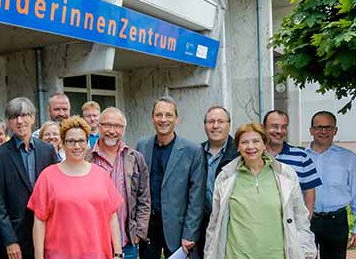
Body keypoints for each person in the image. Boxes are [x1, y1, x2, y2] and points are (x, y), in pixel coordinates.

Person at [205, 123, 317, 259]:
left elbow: (300, 217)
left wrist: (307, 251)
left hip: (278, 255)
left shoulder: (285, 174)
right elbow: (215, 222)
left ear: (264, 145)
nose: (250, 147)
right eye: (244, 142)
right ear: (238, 147)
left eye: (256, 141)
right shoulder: (225, 177)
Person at [29, 116, 123, 259]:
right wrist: (39, 257)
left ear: (87, 143)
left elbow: (112, 217)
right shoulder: (47, 177)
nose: (77, 146)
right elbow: (39, 221)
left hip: (98, 254)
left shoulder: (101, 175)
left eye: (81, 141)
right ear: (63, 143)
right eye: (71, 141)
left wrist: (118, 253)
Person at [0, 97, 59, 259]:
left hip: (48, 232)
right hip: (16, 237)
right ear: (8, 122)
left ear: (33, 118)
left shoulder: (47, 151)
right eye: (14, 117)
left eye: (24, 115)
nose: (19, 121)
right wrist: (10, 240)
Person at [135, 96, 204, 258]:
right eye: (159, 115)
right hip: (148, 228)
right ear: (152, 118)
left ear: (176, 119)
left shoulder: (192, 151)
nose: (163, 119)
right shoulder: (142, 146)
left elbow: (196, 197)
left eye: (168, 115)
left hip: (178, 230)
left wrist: (190, 233)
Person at [90, 107, 150, 259]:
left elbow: (144, 199)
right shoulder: (87, 158)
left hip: (127, 242)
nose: (112, 130)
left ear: (123, 129)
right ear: (99, 126)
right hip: (94, 241)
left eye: (117, 126)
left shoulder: (135, 158)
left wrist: (138, 234)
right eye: (107, 125)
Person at [306, 111, 356, 259]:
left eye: (328, 127)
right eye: (319, 127)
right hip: (307, 221)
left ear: (335, 131)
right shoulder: (301, 157)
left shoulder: (348, 158)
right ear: (311, 131)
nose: (323, 131)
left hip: (337, 223)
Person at [264, 109, 322, 217]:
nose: (279, 131)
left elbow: (309, 192)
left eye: (284, 127)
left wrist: (306, 220)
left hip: (292, 223)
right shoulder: (254, 155)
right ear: (263, 128)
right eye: (274, 126)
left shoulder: (301, 156)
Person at [198, 106, 237, 257]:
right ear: (205, 125)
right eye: (210, 121)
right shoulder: (195, 152)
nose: (215, 126)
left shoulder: (239, 154)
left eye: (220, 121)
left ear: (229, 124)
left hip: (230, 223)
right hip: (201, 225)